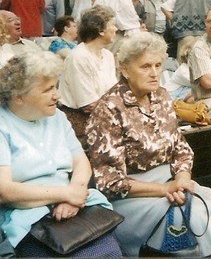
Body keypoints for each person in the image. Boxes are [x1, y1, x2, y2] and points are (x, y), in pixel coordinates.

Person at [86, 33, 211, 257]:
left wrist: (182, 178)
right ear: (124, 69)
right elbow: (110, 181)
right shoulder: (109, 109)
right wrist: (164, 189)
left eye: (158, 65)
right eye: (145, 66)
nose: (154, 73)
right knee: (194, 215)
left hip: (171, 183)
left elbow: (180, 148)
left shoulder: (161, 96)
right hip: (132, 198)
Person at [0, 52, 122, 257]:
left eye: (56, 87)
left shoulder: (56, 116)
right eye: (47, 90)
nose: (57, 95)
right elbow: (5, 191)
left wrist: (76, 191)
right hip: (29, 218)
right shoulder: (3, 126)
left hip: (75, 205)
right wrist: (65, 194)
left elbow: (81, 162)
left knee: (110, 251)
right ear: (18, 96)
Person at [59, 6, 118, 149]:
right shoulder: (78, 57)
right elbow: (88, 105)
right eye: (113, 25)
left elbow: (115, 93)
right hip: (80, 124)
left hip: (106, 116)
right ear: (100, 30)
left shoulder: (108, 55)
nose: (116, 29)